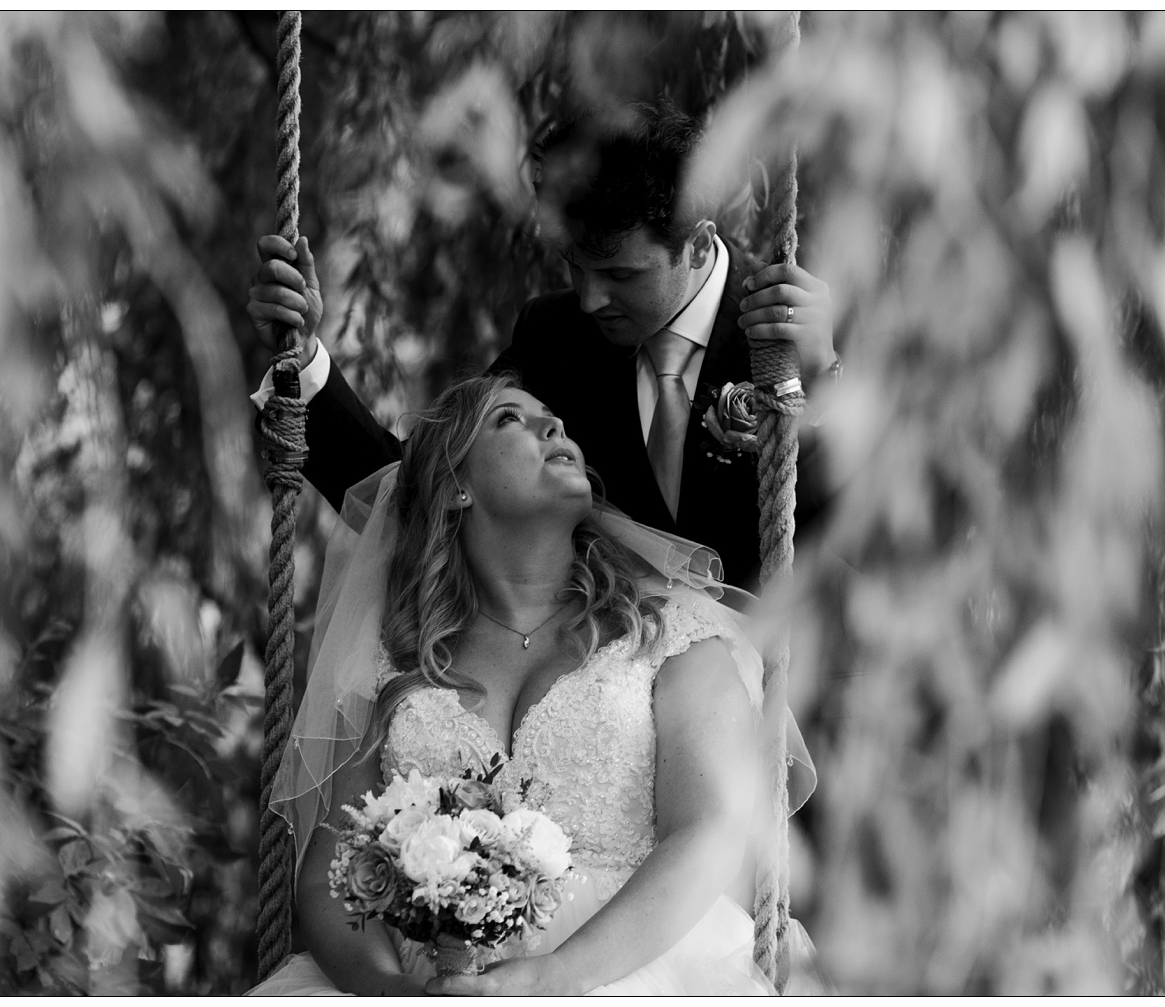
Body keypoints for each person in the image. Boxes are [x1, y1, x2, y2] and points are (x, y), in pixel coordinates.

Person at [247, 374, 814, 996]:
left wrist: (545, 980)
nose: (556, 427)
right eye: (509, 420)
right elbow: (333, 871)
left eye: (554, 418)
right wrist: (396, 994)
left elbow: (709, 834)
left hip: (632, 969)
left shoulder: (673, 635)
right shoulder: (392, 664)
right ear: (456, 486)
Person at [248, 99, 838, 592]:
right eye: (572, 267)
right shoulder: (554, 336)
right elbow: (425, 486)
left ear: (699, 245)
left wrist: (822, 389)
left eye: (621, 276)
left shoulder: (802, 332)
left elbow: (877, 550)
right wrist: (305, 362)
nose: (588, 300)